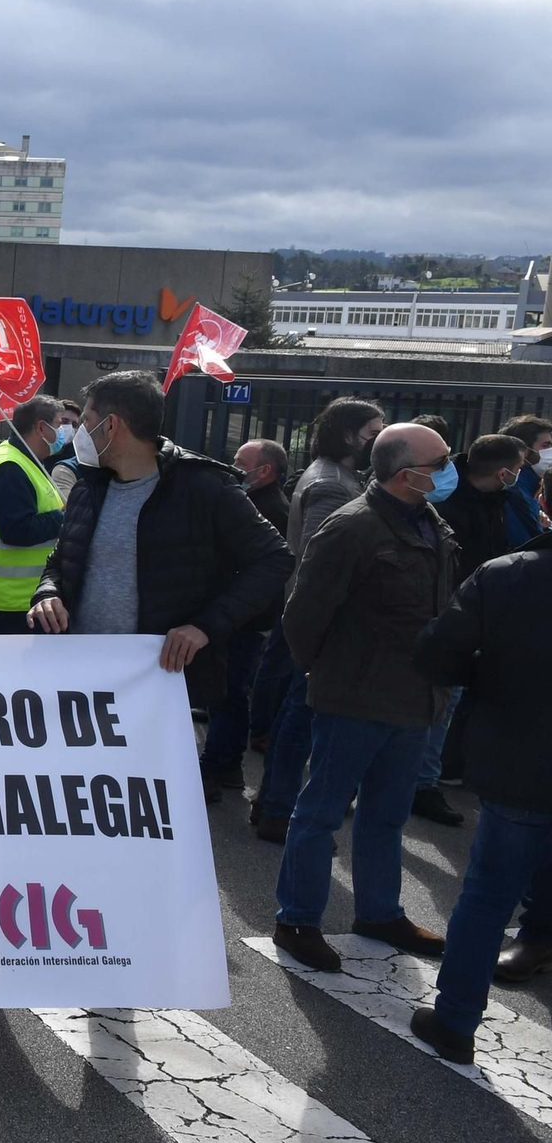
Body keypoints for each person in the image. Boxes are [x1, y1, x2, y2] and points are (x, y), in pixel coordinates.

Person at [270, 422, 457, 974]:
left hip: (414, 699)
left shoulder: (428, 520)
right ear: (407, 475)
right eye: (440, 462)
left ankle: (379, 914)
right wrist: (328, 676)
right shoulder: (351, 528)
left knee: (386, 816)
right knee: (320, 814)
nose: (449, 469)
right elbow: (301, 619)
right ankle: (298, 919)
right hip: (353, 699)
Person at [26, 371, 291, 725]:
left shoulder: (204, 487)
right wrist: (48, 592)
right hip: (80, 677)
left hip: (158, 683)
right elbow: (59, 560)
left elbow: (275, 558)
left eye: (85, 421)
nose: (78, 433)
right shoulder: (87, 488)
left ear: (111, 425)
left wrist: (205, 627)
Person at [408, 529, 552, 1061]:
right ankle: (538, 937)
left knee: (489, 893)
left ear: (544, 502)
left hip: (522, 756)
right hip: (525, 755)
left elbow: (437, 652)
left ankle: (455, 1019)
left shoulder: (508, 572)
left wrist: (488, 674)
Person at [249, 398, 385, 842]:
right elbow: (321, 564)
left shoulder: (338, 476)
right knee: (302, 716)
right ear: (349, 435)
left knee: (298, 713)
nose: (377, 440)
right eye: (372, 432)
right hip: (320, 623)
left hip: (312, 619)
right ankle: (278, 809)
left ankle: (275, 804)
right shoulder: (331, 484)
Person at [414, 433, 530, 828]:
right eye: (517, 469)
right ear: (503, 472)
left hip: (470, 613)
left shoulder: (492, 499)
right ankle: (421, 784)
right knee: (439, 703)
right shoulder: (449, 505)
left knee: (445, 706)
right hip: (453, 614)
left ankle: (424, 779)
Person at [198, 438, 292, 803]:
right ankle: (228, 764)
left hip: (243, 618)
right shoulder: (256, 502)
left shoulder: (267, 511)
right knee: (231, 691)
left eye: (240, 461)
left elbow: (257, 568)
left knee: (226, 691)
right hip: (243, 615)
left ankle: (213, 766)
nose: (233, 465)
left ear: (264, 470)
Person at [0, 395, 66, 635]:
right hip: (6, 604)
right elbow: (18, 531)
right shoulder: (10, 466)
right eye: (60, 425)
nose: (65, 432)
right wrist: (67, 517)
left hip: (18, 600)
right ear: (41, 427)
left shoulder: (26, 461)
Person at [494, 414, 552, 547]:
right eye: (546, 445)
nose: (550, 451)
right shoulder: (515, 490)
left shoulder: (530, 488)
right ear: (524, 452)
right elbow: (526, 543)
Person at [47, 399, 86, 501]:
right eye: (64, 421)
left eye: (74, 425)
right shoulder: (36, 454)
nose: (69, 427)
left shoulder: (78, 463)